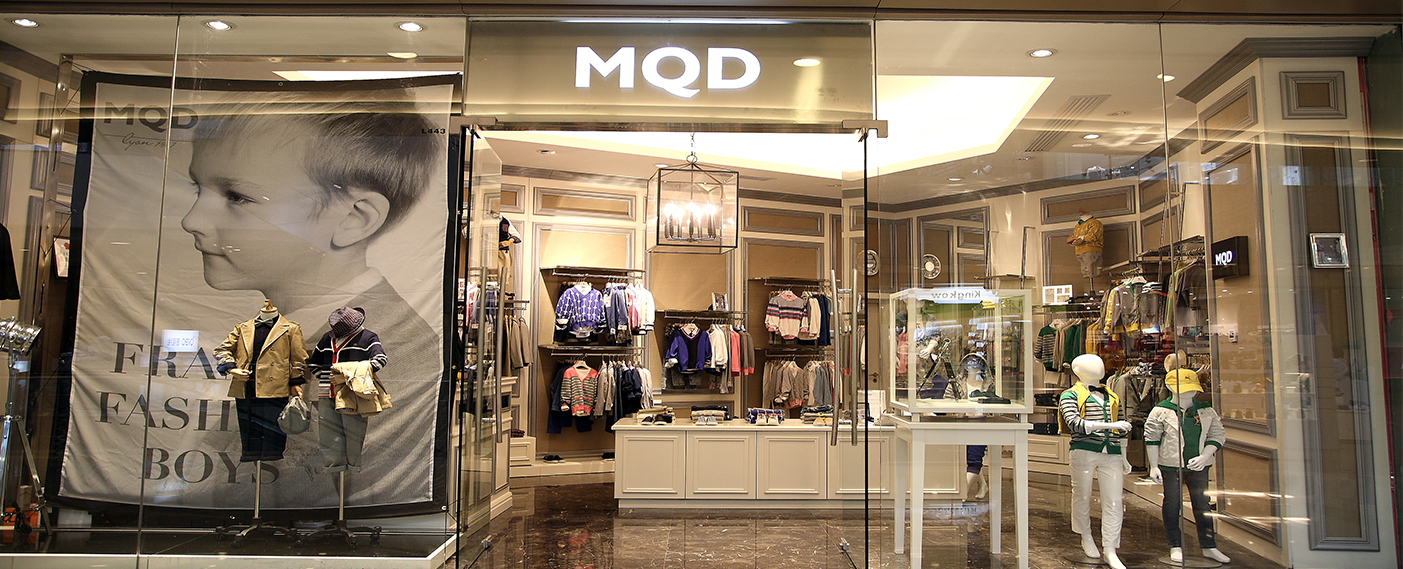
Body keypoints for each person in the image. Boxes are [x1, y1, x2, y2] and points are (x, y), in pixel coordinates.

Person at [182, 91, 443, 499]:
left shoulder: (394, 347)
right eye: (197, 188)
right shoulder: (290, 327)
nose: (191, 220)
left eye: (236, 196)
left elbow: (322, 489)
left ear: (354, 218)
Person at [1146, 369, 1231, 564]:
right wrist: (1154, 466)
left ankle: (1209, 545)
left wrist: (1205, 456)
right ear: (1170, 387)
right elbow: (1152, 438)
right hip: (1171, 466)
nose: (1188, 392)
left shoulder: (1206, 410)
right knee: (1172, 504)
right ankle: (1175, 544)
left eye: (1191, 388)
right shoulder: (1161, 411)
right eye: (1183, 388)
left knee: (1202, 504)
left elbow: (1217, 435)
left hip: (1199, 466)